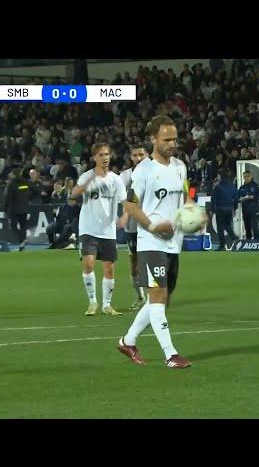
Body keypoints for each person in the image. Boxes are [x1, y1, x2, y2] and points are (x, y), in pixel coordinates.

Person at [118, 115, 201, 369]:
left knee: (162, 300)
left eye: (174, 139)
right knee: (157, 296)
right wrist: (153, 226)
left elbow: (186, 195)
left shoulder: (179, 166)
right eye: (167, 139)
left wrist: (192, 213)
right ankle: (170, 354)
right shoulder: (143, 171)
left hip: (173, 243)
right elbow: (130, 205)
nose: (172, 144)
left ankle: (127, 341)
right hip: (151, 243)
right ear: (153, 139)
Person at [70, 142, 127, 316]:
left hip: (107, 229)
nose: (105, 158)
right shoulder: (86, 177)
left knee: (109, 268)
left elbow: (126, 202)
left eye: (107, 154)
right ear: (94, 157)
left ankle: (107, 305)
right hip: (88, 227)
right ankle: (93, 302)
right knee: (88, 263)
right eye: (101, 155)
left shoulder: (116, 179)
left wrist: (124, 216)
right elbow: (73, 197)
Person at [120, 143, 149, 311]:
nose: (138, 158)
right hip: (132, 226)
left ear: (147, 155)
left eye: (141, 155)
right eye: (135, 155)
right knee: (135, 264)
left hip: (150, 224)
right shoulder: (125, 176)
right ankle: (140, 296)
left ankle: (154, 297)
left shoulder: (155, 173)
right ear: (131, 157)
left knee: (152, 260)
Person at [4, 166, 31, 251]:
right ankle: (22, 242)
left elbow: (9, 198)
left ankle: (22, 239)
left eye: (11, 173)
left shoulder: (12, 184)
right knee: (23, 226)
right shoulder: (26, 182)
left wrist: (5, 209)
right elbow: (32, 191)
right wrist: (27, 200)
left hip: (14, 209)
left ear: (14, 174)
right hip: (24, 208)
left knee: (13, 226)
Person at [211, 170, 239, 250]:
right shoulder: (231, 186)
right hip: (229, 209)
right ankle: (234, 238)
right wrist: (234, 207)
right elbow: (236, 197)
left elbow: (214, 198)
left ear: (220, 176)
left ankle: (222, 245)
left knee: (220, 227)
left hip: (220, 209)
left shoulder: (218, 186)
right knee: (227, 225)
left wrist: (213, 209)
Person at [238, 170, 259, 239]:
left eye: (248, 176)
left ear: (251, 176)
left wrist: (253, 197)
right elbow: (238, 198)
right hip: (245, 210)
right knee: (247, 228)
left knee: (255, 227)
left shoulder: (256, 186)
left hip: (254, 210)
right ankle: (249, 243)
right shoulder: (242, 187)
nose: (246, 178)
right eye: (245, 177)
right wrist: (241, 199)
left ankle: (257, 243)